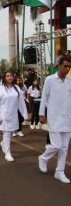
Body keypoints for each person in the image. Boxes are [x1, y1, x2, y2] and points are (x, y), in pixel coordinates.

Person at [38, 56, 71, 184]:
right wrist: (41, 114)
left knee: (64, 148)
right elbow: (44, 98)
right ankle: (43, 158)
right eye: (65, 66)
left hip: (67, 118)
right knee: (56, 145)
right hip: (54, 118)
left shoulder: (70, 80)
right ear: (59, 65)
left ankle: (59, 172)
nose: (67, 69)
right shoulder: (50, 80)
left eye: (69, 66)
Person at [0, 71, 28, 162]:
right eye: (7, 76)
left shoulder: (16, 88)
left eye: (11, 76)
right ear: (4, 78)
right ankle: (7, 153)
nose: (10, 77)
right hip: (3, 114)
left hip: (13, 114)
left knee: (11, 131)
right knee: (7, 133)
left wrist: (24, 113)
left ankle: (3, 143)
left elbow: (21, 102)